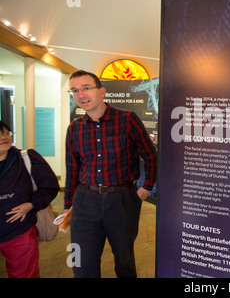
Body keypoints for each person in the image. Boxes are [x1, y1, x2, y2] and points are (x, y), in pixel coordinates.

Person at [65, 70, 157, 278]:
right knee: (81, 265)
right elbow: (72, 169)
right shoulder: (74, 129)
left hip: (121, 199)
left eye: (86, 88)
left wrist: (146, 188)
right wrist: (68, 206)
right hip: (85, 201)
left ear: (102, 91)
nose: (81, 95)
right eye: (75, 90)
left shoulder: (127, 119)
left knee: (124, 262)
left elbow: (150, 155)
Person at [0, 121, 59, 277]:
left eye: (6, 133)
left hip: (19, 231)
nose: (4, 137)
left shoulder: (26, 158)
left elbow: (50, 187)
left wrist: (31, 204)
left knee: (24, 273)